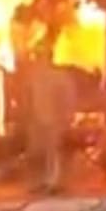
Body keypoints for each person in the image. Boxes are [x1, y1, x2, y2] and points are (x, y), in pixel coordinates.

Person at [26, 51, 75, 194]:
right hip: (38, 121)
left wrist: (66, 117)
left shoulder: (60, 77)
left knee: (55, 154)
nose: (38, 61)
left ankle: (55, 183)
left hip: (55, 121)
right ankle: (41, 182)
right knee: (38, 154)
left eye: (40, 57)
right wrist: (29, 118)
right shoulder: (33, 78)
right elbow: (29, 99)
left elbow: (67, 98)